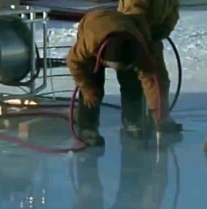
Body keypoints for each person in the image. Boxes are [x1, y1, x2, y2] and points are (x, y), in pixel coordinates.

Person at [67, 9, 168, 146]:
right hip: (94, 22)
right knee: (92, 83)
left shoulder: (139, 48)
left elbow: (150, 81)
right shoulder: (90, 42)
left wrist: (157, 114)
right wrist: (86, 88)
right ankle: (87, 128)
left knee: (132, 83)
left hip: (125, 30)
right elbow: (73, 63)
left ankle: (132, 121)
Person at [117, 0, 189, 135]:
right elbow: (134, 12)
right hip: (131, 36)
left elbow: (173, 8)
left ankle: (159, 118)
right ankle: (131, 122)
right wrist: (143, 38)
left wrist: (164, 30)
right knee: (133, 80)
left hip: (152, 37)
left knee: (159, 79)